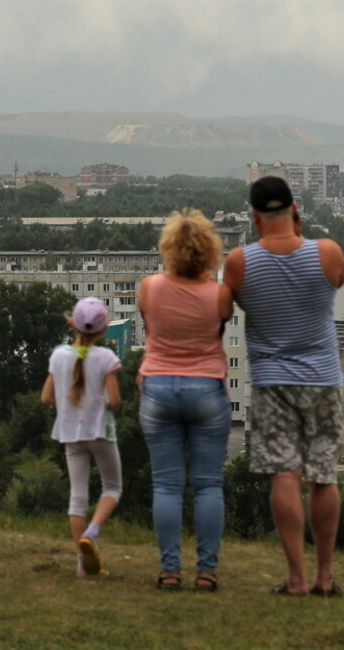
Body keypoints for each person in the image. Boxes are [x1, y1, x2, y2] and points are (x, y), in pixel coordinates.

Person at [224, 175, 344, 597]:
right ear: (295, 208)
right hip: (324, 380)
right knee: (324, 476)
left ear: (255, 217)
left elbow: (227, 305)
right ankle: (325, 577)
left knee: (285, 476)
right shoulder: (327, 253)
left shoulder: (240, 262)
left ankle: (295, 578)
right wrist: (302, 235)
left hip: (272, 381)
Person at [138, 209, 233, 591]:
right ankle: (206, 572)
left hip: (159, 388)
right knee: (209, 485)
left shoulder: (150, 287)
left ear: (169, 249)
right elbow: (218, 327)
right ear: (209, 251)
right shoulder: (220, 294)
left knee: (167, 486)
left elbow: (150, 325)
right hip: (206, 389)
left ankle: (170, 570)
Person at [41, 296, 123, 577]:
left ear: (72, 324)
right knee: (112, 488)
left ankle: (82, 563)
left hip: (70, 433)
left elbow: (46, 397)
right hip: (100, 431)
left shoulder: (58, 355)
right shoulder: (106, 358)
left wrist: (69, 404)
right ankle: (93, 531)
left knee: (78, 498)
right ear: (103, 330)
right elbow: (114, 401)